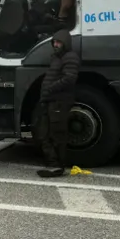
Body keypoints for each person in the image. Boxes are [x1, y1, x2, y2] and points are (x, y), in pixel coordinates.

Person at [36, 29, 79, 178]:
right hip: (51, 100)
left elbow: (69, 78)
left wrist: (50, 88)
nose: (55, 44)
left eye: (58, 42)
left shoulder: (70, 57)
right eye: (54, 42)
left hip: (59, 101)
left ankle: (58, 166)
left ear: (65, 43)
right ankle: (52, 164)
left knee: (57, 134)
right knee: (44, 133)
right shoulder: (56, 58)